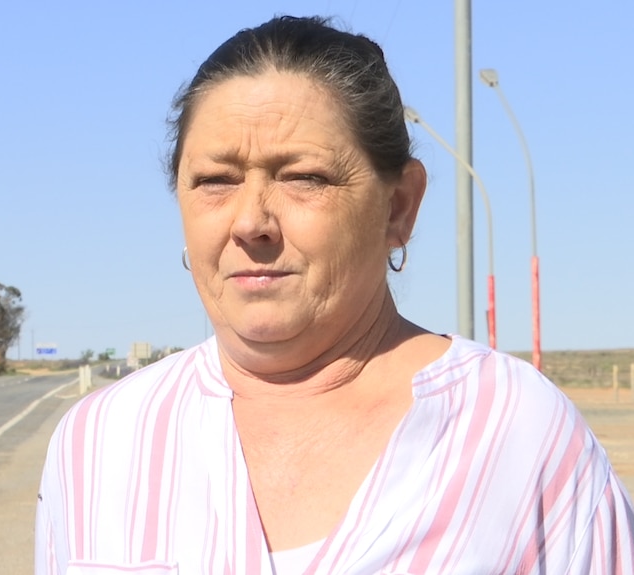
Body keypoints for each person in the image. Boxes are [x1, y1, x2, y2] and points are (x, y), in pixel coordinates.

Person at [35, 15, 634, 574]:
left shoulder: (520, 439)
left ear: (399, 207)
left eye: (304, 179)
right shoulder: (101, 444)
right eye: (215, 181)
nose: (251, 223)